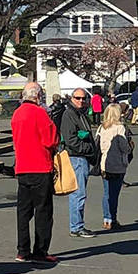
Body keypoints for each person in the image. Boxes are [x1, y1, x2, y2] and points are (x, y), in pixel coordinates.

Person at [9, 82, 59, 263]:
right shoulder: (40, 113)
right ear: (38, 96)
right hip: (40, 166)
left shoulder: (17, 114)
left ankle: (22, 250)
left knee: (23, 211)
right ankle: (40, 250)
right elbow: (51, 140)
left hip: (22, 167)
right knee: (43, 211)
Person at [59, 88, 98, 238]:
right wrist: (87, 148)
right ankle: (76, 226)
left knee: (80, 193)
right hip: (76, 157)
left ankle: (77, 225)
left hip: (82, 157)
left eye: (83, 98)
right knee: (78, 193)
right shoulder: (69, 114)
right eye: (78, 98)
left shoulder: (80, 113)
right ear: (72, 98)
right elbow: (70, 139)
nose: (81, 101)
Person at [98, 103, 132, 230]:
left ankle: (106, 218)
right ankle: (112, 217)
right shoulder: (120, 128)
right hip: (118, 163)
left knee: (106, 193)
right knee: (114, 193)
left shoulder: (102, 127)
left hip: (105, 163)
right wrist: (130, 147)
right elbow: (124, 147)